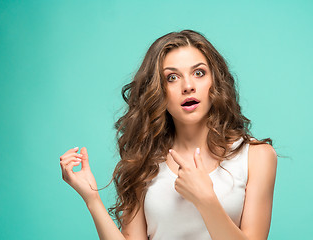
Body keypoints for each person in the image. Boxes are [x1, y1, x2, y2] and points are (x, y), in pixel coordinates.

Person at [59, 30, 277, 240]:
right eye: (172, 77)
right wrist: (92, 199)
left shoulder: (256, 156)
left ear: (215, 81)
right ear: (157, 91)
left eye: (199, 73)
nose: (188, 86)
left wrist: (205, 200)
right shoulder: (143, 160)